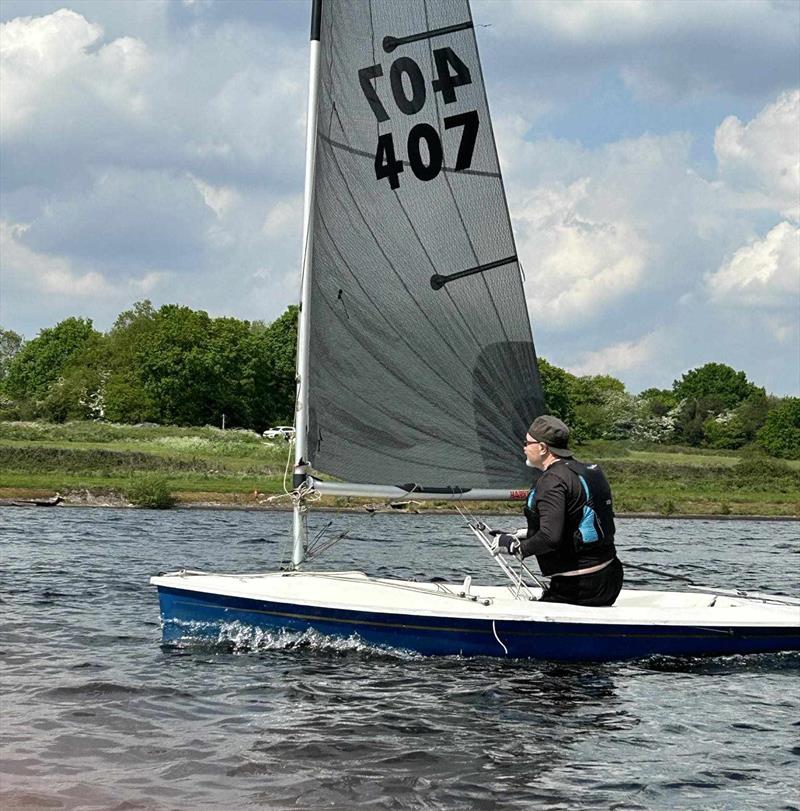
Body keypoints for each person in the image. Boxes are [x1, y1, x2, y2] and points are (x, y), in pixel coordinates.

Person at [491, 415, 623, 606]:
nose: (524, 447)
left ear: (543, 448)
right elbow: (575, 521)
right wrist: (525, 534)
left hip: (579, 589)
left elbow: (549, 538)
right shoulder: (588, 470)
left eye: (527, 443)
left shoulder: (551, 481)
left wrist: (515, 547)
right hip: (610, 579)